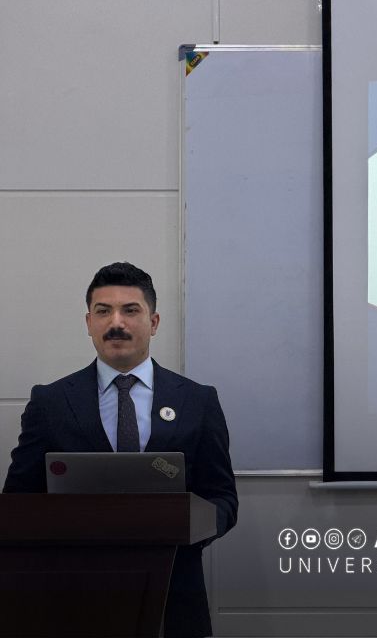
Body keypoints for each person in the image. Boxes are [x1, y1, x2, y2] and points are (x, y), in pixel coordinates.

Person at [3, 262, 238, 638]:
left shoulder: (198, 401)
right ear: (88, 322)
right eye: (103, 311)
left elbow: (223, 498)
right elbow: (17, 502)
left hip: (174, 594)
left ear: (154, 322)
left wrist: (187, 526)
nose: (116, 323)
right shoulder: (50, 402)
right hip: (69, 596)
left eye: (130, 310)